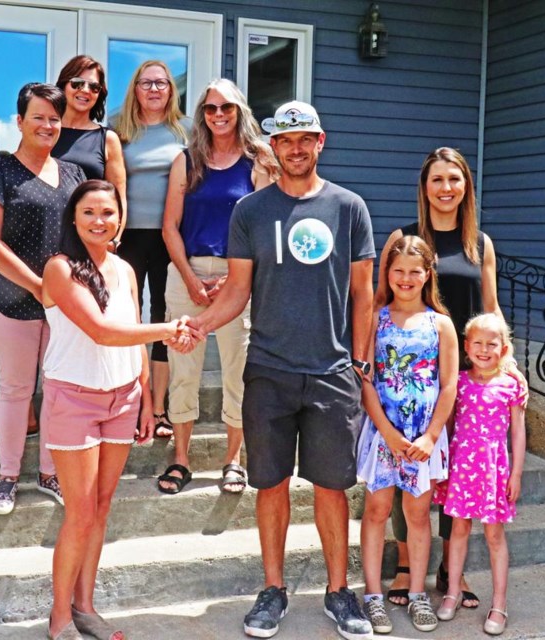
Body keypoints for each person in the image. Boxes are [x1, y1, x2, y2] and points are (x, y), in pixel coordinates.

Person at [188, 101, 375, 640]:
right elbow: (237, 292)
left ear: (320, 142)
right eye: (285, 140)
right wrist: (197, 325)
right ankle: (273, 590)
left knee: (332, 488)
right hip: (268, 369)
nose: (295, 148)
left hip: (331, 370)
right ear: (272, 146)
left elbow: (363, 294)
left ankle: (340, 592)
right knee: (269, 485)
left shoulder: (349, 207)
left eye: (305, 139)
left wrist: (358, 361)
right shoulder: (250, 210)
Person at [41, 180, 198, 640]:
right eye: (89, 212)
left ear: (120, 218)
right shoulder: (59, 269)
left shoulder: (126, 271)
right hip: (73, 397)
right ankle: (59, 617)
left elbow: (130, 341)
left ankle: (85, 607)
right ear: (74, 217)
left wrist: (149, 401)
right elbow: (103, 331)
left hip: (124, 398)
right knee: (80, 511)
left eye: (108, 212)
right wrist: (171, 328)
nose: (99, 221)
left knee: (102, 507)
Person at [375, 147, 500, 608]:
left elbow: (491, 309)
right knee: (408, 468)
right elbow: (380, 304)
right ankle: (407, 562)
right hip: (410, 383)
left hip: (466, 379)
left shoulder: (480, 245)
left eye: (455, 179)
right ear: (423, 188)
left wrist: (506, 365)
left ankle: (452, 567)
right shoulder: (403, 238)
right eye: (437, 180)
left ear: (466, 186)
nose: (446, 188)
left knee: (454, 477)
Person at [0, 83, 86, 515]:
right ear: (19, 121)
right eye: (38, 116)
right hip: (6, 296)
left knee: (56, 386)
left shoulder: (74, 175)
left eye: (55, 118)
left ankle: (49, 472)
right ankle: (8, 476)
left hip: (60, 300)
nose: (47, 125)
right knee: (18, 386)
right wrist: (38, 286)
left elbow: (80, 233)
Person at [157, 78, 278, 495]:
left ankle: (233, 460)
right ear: (202, 115)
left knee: (237, 370)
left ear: (239, 111)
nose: (219, 115)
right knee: (183, 369)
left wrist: (233, 280)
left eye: (226, 107)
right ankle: (181, 458)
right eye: (210, 109)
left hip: (238, 274)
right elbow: (170, 226)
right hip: (186, 271)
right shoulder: (186, 161)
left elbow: (265, 228)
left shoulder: (256, 162)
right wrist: (190, 278)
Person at [357, 236, 458, 634]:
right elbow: (366, 378)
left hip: (422, 440)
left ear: (427, 274)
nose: (406, 278)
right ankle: (372, 596)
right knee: (377, 511)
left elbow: (448, 385)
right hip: (383, 435)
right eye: (398, 270)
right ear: (388, 273)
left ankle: (418, 594)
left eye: (414, 271)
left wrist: (431, 436)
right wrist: (386, 430)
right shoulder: (375, 317)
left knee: (417, 515)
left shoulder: (441, 324)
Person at [113, 60, 192, 439]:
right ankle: (130, 403)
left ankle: (158, 407)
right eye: (147, 83)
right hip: (127, 236)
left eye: (162, 83)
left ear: (170, 90)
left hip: (170, 237)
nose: (155, 89)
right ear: (136, 88)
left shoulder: (187, 130)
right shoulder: (118, 127)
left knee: (164, 318)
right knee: (128, 319)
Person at [435, 313, 527, 636]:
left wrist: (516, 473)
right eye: (478, 343)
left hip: (493, 473)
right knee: (458, 529)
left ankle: (499, 603)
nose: (484, 349)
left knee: (494, 535)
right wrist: (441, 465)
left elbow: (517, 432)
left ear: (503, 350)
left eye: (492, 344)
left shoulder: (511, 385)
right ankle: (452, 591)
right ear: (466, 346)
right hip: (461, 469)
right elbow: (447, 425)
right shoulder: (458, 382)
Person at [52, 55, 127, 227]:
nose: (85, 90)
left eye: (94, 87)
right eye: (77, 83)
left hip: (90, 235)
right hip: (45, 232)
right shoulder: (45, 130)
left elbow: (118, 198)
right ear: (63, 85)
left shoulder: (107, 139)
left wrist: (113, 240)